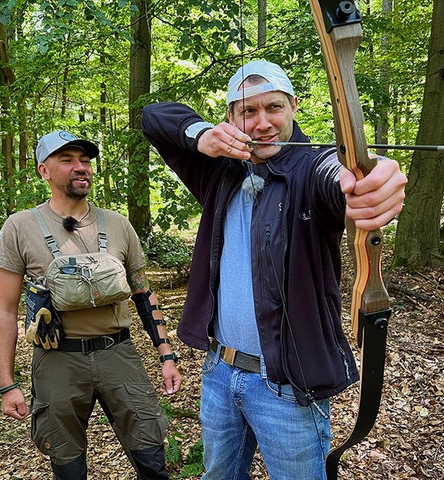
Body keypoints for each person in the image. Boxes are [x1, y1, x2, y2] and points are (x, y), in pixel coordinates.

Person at [141, 60, 407, 479]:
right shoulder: (218, 170)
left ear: (294, 107)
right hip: (219, 372)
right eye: (248, 111)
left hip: (287, 382)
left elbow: (337, 176)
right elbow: (154, 117)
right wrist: (204, 136)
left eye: (275, 108)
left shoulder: (311, 166)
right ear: (231, 118)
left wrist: (367, 182)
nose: (262, 123)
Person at [0, 130, 182, 480]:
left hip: (118, 353)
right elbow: (4, 309)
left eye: (85, 160)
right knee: (66, 462)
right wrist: (8, 384)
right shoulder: (20, 227)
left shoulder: (118, 224)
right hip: (57, 361)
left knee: (151, 453)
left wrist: (166, 355)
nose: (81, 167)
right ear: (43, 171)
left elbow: (143, 292)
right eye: (67, 160)